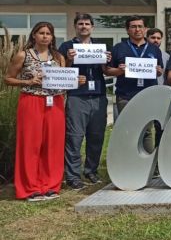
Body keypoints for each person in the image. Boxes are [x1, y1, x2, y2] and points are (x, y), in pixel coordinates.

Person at [4, 22, 80, 201]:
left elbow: (64, 80)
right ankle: (30, 188)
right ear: (34, 35)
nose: (45, 36)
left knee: (53, 144)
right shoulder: (23, 55)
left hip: (55, 103)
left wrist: (77, 81)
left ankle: (51, 185)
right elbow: (8, 78)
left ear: (52, 37)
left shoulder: (58, 57)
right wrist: (27, 82)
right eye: (41, 33)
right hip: (31, 101)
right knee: (30, 144)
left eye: (48, 33)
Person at [58, 13, 110, 190]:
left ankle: (91, 171)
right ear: (75, 26)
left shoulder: (99, 46)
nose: (84, 26)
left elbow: (106, 70)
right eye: (80, 23)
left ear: (92, 27)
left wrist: (107, 63)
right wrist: (69, 60)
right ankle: (72, 175)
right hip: (77, 96)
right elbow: (59, 71)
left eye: (87, 23)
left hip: (98, 95)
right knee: (75, 137)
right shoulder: (66, 46)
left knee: (96, 136)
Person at [105, 16, 164, 153]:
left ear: (145, 29)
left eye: (140, 26)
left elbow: (159, 71)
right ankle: (129, 165)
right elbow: (108, 70)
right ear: (127, 30)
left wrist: (158, 71)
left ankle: (146, 165)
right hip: (125, 95)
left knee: (147, 130)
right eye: (133, 26)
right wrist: (120, 71)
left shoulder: (154, 49)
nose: (137, 29)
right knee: (128, 129)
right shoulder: (119, 48)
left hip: (148, 96)